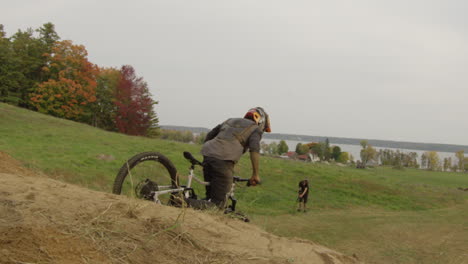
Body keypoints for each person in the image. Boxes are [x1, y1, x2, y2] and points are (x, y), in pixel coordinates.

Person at [186, 107, 271, 210]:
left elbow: (209, 135)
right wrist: (255, 174)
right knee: (218, 205)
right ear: (261, 121)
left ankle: (190, 205)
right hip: (223, 161)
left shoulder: (229, 120)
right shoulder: (255, 129)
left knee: (210, 198)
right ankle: (181, 201)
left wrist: (211, 153)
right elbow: (254, 149)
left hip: (208, 155)